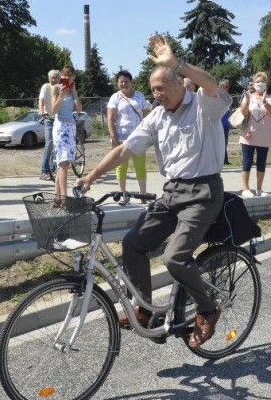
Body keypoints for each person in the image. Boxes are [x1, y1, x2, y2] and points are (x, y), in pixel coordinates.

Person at [76, 34, 231, 348]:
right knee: (133, 243)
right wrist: (90, 176)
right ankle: (146, 311)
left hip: (203, 193)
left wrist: (178, 63)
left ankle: (207, 308)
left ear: (178, 83)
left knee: (175, 258)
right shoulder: (157, 117)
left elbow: (210, 82)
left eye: (161, 88)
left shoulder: (203, 106)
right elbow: (124, 150)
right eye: (153, 89)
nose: (156, 95)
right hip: (173, 193)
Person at [106, 70, 150, 197]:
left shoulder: (139, 96)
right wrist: (113, 136)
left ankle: (143, 195)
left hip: (139, 136)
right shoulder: (115, 98)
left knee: (140, 166)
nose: (124, 84)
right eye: (121, 82)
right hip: (121, 137)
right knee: (121, 166)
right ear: (117, 83)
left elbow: (146, 115)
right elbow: (110, 118)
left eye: (126, 81)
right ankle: (123, 194)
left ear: (131, 82)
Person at [238, 71, 271, 196]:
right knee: (247, 162)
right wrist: (247, 101)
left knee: (261, 163)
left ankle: (259, 189)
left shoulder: (270, 98)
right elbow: (243, 113)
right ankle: (246, 189)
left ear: (266, 84)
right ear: (253, 83)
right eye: (257, 81)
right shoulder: (248, 95)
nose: (260, 84)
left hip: (264, 136)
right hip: (249, 135)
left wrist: (264, 101)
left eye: (262, 82)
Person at [51, 66, 82, 201]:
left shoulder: (72, 90)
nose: (68, 79)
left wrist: (74, 92)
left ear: (74, 77)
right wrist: (61, 95)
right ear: (62, 76)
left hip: (71, 126)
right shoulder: (56, 88)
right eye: (65, 76)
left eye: (71, 76)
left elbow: (79, 109)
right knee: (63, 162)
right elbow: (53, 110)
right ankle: (64, 198)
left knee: (64, 163)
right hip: (60, 126)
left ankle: (57, 197)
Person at [37, 70, 60, 180]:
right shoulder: (45, 87)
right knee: (49, 144)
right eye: (52, 78)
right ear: (49, 78)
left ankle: (53, 170)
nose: (54, 80)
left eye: (56, 77)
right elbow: (41, 100)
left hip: (59, 119)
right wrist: (41, 110)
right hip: (49, 118)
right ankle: (44, 171)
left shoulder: (61, 87)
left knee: (56, 145)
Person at [219, 79, 232, 165]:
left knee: (225, 142)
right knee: (219, 142)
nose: (228, 88)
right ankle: (221, 160)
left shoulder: (228, 96)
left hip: (226, 124)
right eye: (226, 86)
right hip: (219, 124)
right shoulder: (217, 96)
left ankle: (225, 160)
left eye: (228, 86)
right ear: (221, 87)